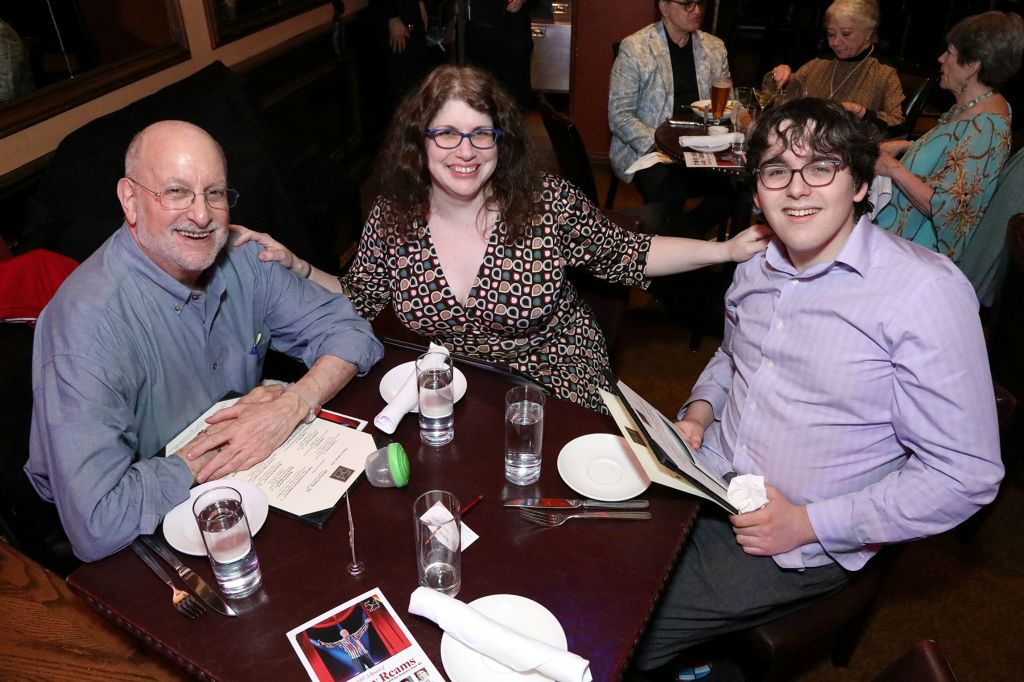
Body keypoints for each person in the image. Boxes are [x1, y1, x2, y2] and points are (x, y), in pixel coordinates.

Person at [632, 98, 1003, 673]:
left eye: (822, 165)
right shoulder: (755, 268)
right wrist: (698, 416)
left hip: (795, 537)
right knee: (586, 550)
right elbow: (733, 358)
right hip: (705, 478)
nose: (797, 187)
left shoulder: (924, 294)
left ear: (858, 181)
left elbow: (965, 476)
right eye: (777, 169)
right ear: (757, 192)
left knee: (621, 630)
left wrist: (806, 524)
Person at [233, 65, 770, 412]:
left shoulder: (544, 201)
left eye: (480, 133)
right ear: (419, 142)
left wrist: (723, 250)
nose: (464, 151)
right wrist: (298, 267)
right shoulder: (393, 217)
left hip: (560, 377)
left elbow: (631, 252)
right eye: (446, 132)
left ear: (500, 139)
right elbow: (360, 296)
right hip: (461, 386)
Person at [25, 120, 383, 563]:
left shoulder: (242, 256)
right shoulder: (87, 325)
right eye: (176, 192)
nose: (201, 215)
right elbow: (96, 522)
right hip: (145, 538)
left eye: (214, 193)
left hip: (249, 494)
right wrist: (225, 444)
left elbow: (352, 331)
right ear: (130, 200)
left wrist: (292, 404)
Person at [873, 11, 1024, 262]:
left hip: (916, 256)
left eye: (950, 53)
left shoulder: (985, 129)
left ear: (972, 66)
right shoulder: (973, 105)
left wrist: (894, 169)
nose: (941, 58)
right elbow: (954, 158)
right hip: (898, 238)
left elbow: (945, 208)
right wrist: (907, 145)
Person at [608, 0, 733, 233]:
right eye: (688, 4)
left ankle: (684, 242)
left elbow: (726, 103)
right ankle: (678, 250)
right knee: (670, 191)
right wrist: (664, 145)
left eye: (699, 3)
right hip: (652, 151)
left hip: (700, 147)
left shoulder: (715, 48)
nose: (697, 10)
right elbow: (620, 116)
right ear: (664, 7)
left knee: (735, 193)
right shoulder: (636, 48)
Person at [770, 0, 904, 133]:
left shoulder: (884, 74)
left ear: (868, 32)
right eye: (831, 34)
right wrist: (780, 76)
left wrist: (862, 112)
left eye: (846, 33)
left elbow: (899, 127)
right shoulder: (819, 64)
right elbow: (779, 96)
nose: (835, 42)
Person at [465, 0, 535, 111]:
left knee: (515, 96)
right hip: (481, 33)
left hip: (515, 33)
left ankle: (512, 124)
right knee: (482, 94)